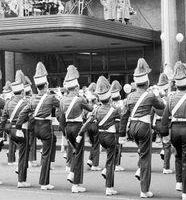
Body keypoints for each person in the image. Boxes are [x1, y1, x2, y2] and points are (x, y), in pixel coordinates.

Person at [119, 58, 165, 198]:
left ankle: (140, 170)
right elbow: (161, 106)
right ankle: (144, 190)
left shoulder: (130, 96)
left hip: (132, 127)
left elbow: (124, 116)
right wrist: (159, 95)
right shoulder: (150, 95)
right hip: (144, 127)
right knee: (146, 157)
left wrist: (122, 134)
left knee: (142, 151)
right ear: (146, 82)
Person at [16, 62, 60, 190]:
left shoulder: (32, 98)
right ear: (46, 85)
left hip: (34, 126)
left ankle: (21, 179)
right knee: (45, 155)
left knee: (25, 151)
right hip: (45, 127)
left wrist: (18, 127)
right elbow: (61, 106)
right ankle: (44, 183)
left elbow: (24, 112)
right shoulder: (51, 97)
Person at [161, 62, 186, 200]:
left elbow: (165, 117)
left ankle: (179, 182)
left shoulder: (170, 97)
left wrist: (165, 134)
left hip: (174, 129)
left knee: (178, 156)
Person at [77, 76, 121, 196]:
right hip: (111, 136)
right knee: (111, 159)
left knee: (110, 157)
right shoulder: (115, 109)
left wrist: (80, 134)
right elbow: (120, 124)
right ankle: (109, 187)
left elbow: (87, 122)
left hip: (101, 137)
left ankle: (107, 169)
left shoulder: (96, 110)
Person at [59, 65, 94, 193]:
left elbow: (60, 116)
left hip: (68, 128)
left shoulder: (63, 100)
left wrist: (64, 131)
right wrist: (89, 99)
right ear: (76, 87)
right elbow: (91, 109)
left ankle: (72, 173)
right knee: (79, 154)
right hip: (78, 128)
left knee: (74, 151)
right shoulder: (80, 99)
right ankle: (76, 184)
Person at [0, 73, 32, 188]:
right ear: (22, 92)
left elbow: (2, 119)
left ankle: (18, 168)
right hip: (22, 129)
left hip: (11, 131)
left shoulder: (8, 103)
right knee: (23, 156)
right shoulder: (26, 102)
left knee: (20, 153)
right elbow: (30, 117)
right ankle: (21, 180)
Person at [154, 73, 173, 174]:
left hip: (157, 122)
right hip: (167, 122)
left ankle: (162, 151)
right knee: (167, 145)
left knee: (164, 143)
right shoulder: (169, 97)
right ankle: (166, 167)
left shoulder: (155, 97)